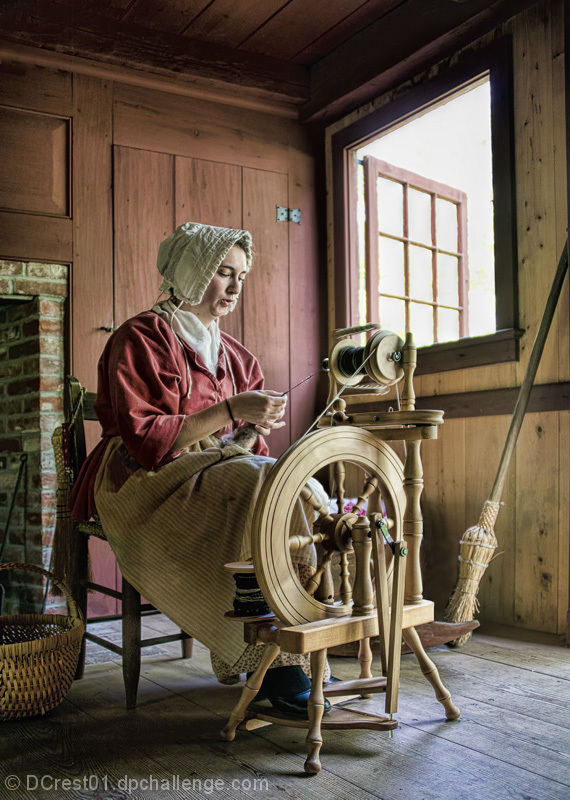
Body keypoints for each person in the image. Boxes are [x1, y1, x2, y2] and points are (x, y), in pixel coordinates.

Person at [70, 221, 330, 717]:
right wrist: (233, 412)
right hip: (142, 479)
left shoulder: (236, 355)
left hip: (213, 467)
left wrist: (252, 425)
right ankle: (268, 661)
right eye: (223, 273)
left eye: (242, 276)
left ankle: (294, 637)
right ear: (191, 272)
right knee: (254, 485)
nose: (235, 287)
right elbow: (145, 441)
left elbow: (246, 440)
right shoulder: (139, 338)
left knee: (290, 482)